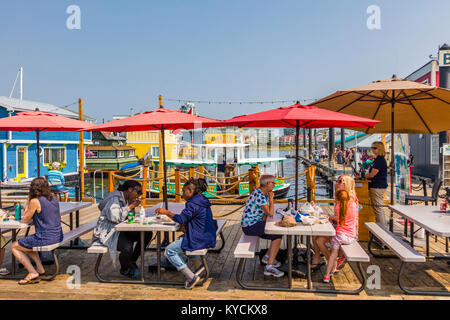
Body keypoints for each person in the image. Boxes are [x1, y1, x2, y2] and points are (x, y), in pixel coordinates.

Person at [156, 178, 216, 290]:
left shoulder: (193, 204)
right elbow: (191, 218)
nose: (182, 194)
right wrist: (186, 224)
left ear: (190, 190)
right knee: (184, 241)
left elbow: (180, 218)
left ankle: (191, 277)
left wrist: (166, 212)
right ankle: (200, 269)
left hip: (199, 238)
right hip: (208, 236)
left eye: (184, 191)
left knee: (170, 251)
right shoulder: (202, 200)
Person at [92, 180, 152, 279]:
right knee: (127, 247)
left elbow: (128, 217)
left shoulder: (127, 199)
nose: (139, 195)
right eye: (138, 192)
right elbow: (114, 217)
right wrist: (131, 206)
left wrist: (131, 207)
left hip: (121, 229)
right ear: (130, 189)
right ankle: (124, 269)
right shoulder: (114, 199)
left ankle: (131, 261)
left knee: (147, 234)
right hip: (109, 232)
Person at [10, 177, 63, 285]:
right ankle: (40, 268)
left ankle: (32, 272)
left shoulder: (35, 201)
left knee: (14, 246)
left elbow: (25, 219)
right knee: (27, 242)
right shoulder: (53, 197)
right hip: (58, 235)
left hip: (45, 238)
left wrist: (29, 200)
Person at [241, 174, 284, 277]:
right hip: (250, 226)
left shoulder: (260, 192)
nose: (274, 185)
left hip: (253, 223)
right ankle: (269, 267)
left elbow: (266, 213)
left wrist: (266, 214)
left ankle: (267, 257)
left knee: (277, 232)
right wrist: (271, 199)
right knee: (277, 235)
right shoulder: (260, 195)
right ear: (268, 183)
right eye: (273, 183)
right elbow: (270, 213)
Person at [312, 174, 358, 271]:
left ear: (347, 184)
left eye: (340, 181)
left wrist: (330, 218)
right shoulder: (343, 196)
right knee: (315, 234)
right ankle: (319, 258)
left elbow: (342, 218)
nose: (337, 183)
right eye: (337, 181)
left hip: (345, 231)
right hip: (340, 227)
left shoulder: (349, 199)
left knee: (319, 240)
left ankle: (331, 262)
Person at [322, 188, 359, 283]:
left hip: (339, 236)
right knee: (338, 248)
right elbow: (354, 198)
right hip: (350, 237)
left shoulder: (338, 207)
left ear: (338, 200)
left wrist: (330, 218)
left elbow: (338, 218)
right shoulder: (354, 206)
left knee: (333, 254)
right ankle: (341, 258)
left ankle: (326, 275)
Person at [365, 141, 388, 226]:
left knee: (378, 209)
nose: (373, 149)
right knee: (378, 208)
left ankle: (383, 230)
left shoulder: (380, 160)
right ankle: (381, 227)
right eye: (372, 148)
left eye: (375, 148)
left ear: (380, 149)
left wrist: (364, 175)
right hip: (378, 186)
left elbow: (372, 174)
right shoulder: (377, 159)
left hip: (378, 186)